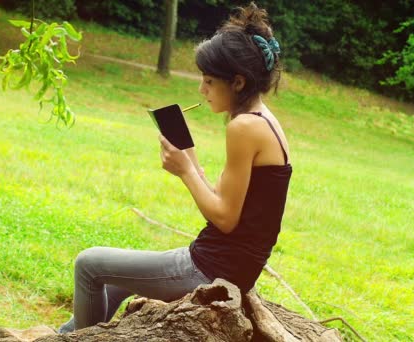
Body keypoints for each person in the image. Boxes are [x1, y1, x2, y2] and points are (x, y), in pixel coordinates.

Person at [58, 2, 292, 333]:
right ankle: (63, 337)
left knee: (88, 264)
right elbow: (226, 207)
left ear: (238, 82)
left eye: (209, 81)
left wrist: (185, 172)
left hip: (212, 269)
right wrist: (191, 160)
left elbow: (225, 219)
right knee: (111, 286)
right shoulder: (263, 119)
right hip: (226, 262)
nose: (202, 89)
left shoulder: (244, 128)